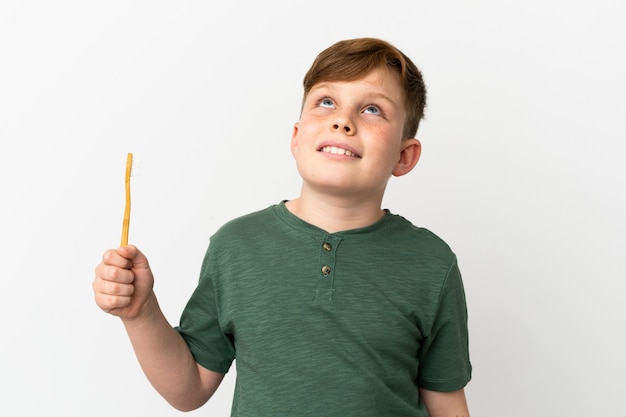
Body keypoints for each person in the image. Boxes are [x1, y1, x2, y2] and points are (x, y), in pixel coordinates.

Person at [93, 37, 472, 417]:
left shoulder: (432, 264)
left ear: (404, 156)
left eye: (372, 109)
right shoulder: (236, 247)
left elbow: (448, 404)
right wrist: (141, 312)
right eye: (326, 102)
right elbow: (188, 390)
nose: (343, 121)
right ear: (296, 137)